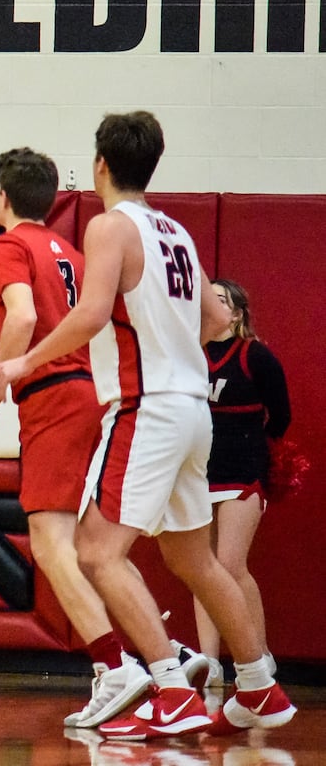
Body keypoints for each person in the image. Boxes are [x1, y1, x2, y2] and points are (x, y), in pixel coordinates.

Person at [0, 112, 295, 739]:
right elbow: (213, 317)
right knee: (194, 559)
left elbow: (92, 313)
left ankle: (169, 688)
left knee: (96, 552)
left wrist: (23, 360)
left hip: (146, 406)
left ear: (100, 165)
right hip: (193, 408)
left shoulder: (108, 227)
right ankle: (259, 687)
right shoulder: (176, 231)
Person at [0, 148, 149, 728]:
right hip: (87, 393)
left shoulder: (6, 246)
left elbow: (21, 317)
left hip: (51, 395)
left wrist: (1, 379)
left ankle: (113, 668)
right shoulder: (69, 250)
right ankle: (164, 660)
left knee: (50, 544)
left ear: (1, 197)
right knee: (86, 544)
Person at [189, 278, 291, 689]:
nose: (209, 307)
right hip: (197, 470)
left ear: (236, 313)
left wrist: (258, 454)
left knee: (229, 564)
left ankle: (259, 654)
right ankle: (209, 661)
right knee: (200, 566)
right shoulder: (189, 356)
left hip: (244, 470)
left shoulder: (256, 356)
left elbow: (281, 417)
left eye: (219, 301)